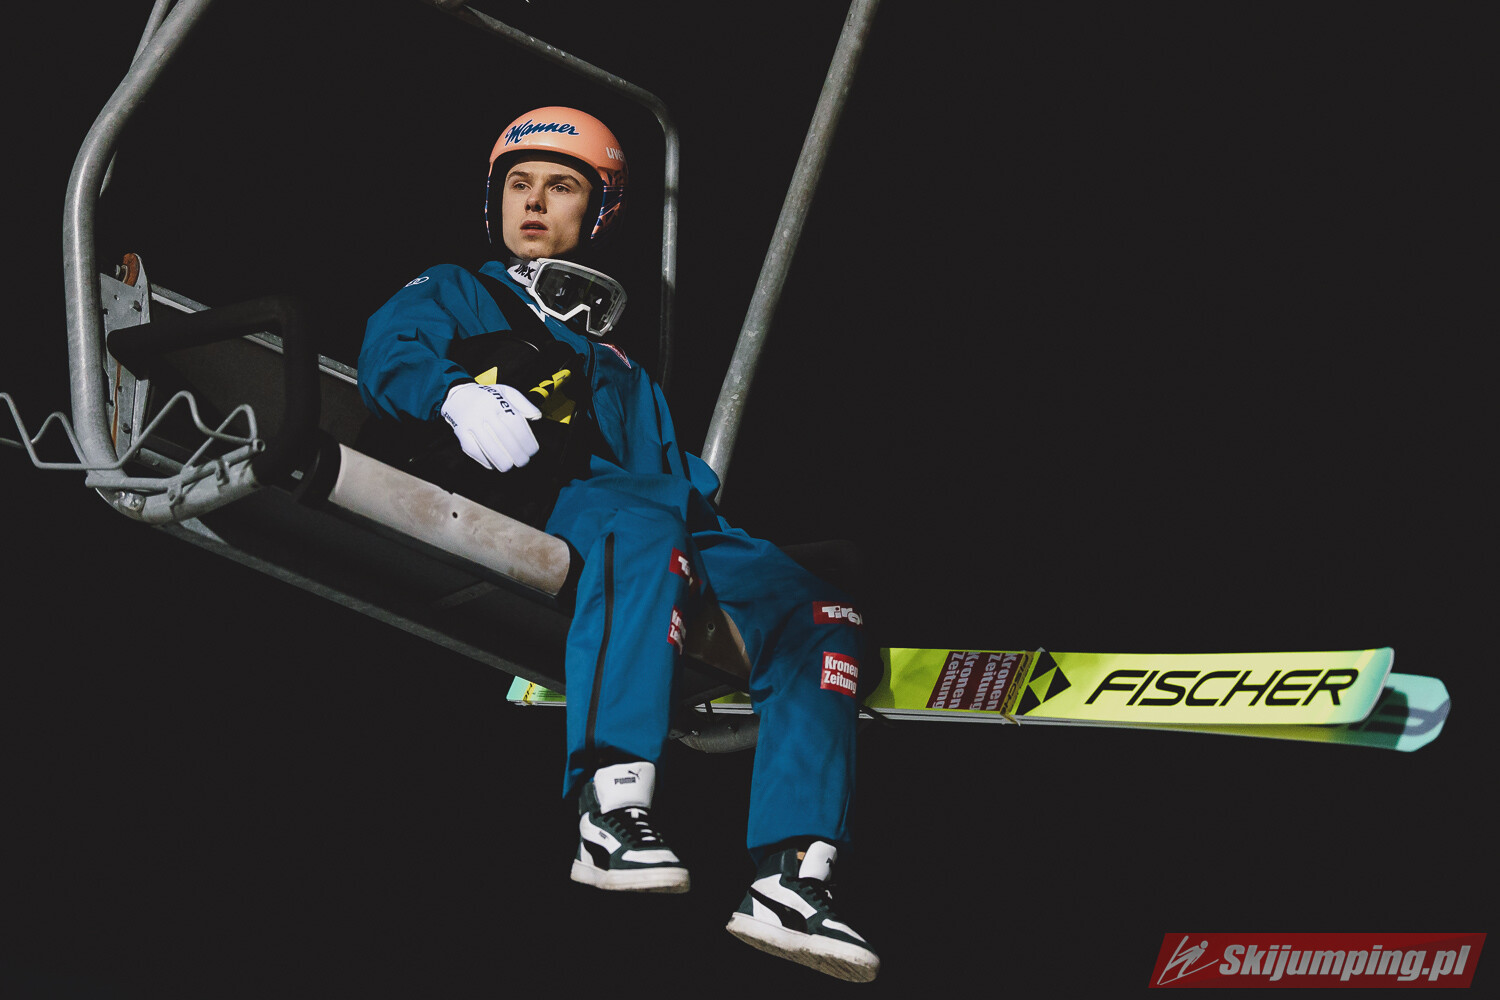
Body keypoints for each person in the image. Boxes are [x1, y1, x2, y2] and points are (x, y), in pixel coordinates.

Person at [356, 106, 879, 983]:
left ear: (597, 214)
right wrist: (451, 394)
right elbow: (390, 348)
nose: (533, 203)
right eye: (518, 185)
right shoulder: (460, 291)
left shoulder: (626, 369)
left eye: (560, 188)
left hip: (653, 516)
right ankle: (611, 807)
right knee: (644, 528)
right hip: (537, 501)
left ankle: (793, 878)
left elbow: (674, 487)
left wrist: (761, 571)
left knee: (822, 609)